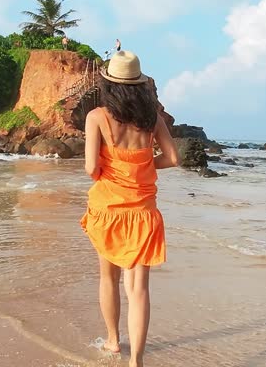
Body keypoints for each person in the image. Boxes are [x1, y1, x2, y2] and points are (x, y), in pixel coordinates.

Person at [80, 50, 179, 367]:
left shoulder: (97, 117)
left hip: (108, 209)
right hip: (143, 213)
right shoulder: (153, 119)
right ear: (139, 85)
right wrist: (143, 166)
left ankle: (112, 341)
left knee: (107, 277)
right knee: (138, 289)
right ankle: (136, 361)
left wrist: (112, 172)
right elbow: (173, 159)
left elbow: (91, 168)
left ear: (109, 84)